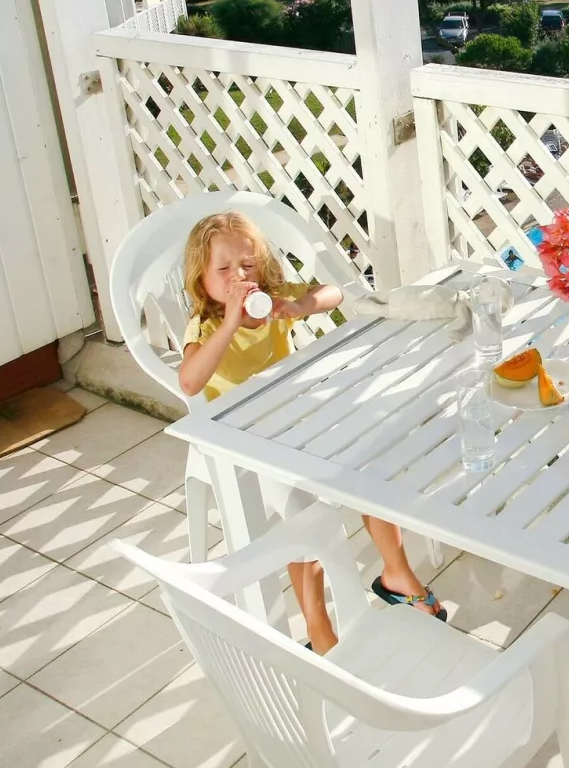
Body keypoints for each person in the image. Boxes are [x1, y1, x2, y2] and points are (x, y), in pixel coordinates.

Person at [177, 212, 445, 653]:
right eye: (223, 270)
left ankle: (396, 572)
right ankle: (319, 630)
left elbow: (336, 293)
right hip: (240, 441)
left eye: (247, 265)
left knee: (366, 465)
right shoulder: (205, 326)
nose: (238, 277)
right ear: (200, 279)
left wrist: (299, 306)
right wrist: (228, 324)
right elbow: (189, 382)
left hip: (294, 421)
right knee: (304, 512)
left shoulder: (272, 301)